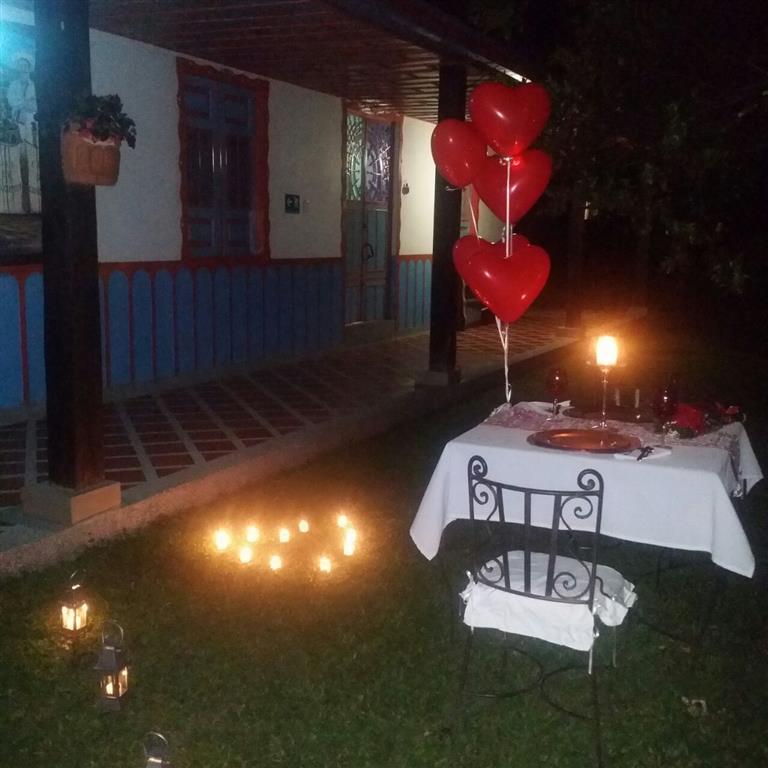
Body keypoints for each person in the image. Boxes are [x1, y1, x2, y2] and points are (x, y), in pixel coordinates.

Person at [5, 52, 40, 213]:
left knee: (33, 157)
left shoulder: (34, 85)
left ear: (29, 68)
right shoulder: (14, 85)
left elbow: (36, 105)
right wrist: (25, 103)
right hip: (18, 124)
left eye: (25, 65)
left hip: (32, 124)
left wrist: (26, 104)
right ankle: (18, 202)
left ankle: (34, 201)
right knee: (18, 157)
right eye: (20, 66)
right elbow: (13, 101)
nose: (23, 68)